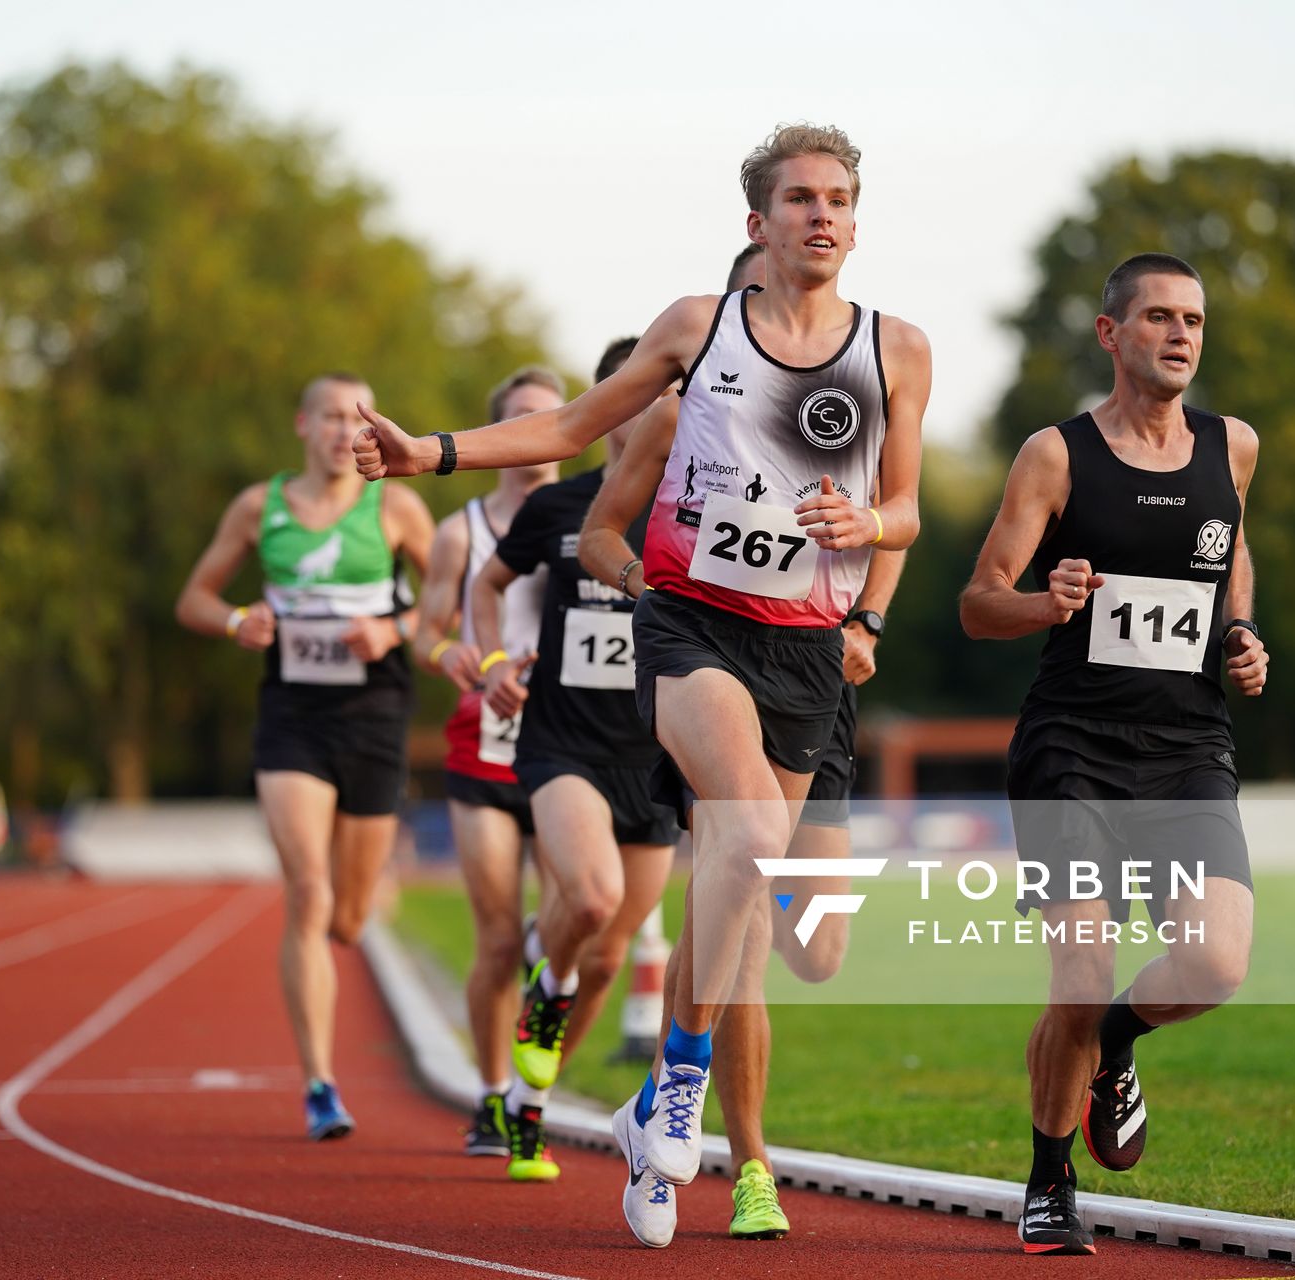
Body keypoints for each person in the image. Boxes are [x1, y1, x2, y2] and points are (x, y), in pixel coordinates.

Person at [354, 123, 931, 1248]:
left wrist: (867, 524)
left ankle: (662, 1084)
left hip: (807, 647)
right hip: (691, 624)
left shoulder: (898, 348)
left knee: (780, 912)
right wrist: (428, 451)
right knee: (750, 830)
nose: (824, 214)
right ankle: (683, 1088)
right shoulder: (695, 328)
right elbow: (570, 425)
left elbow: (905, 507)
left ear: (857, 222)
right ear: (756, 221)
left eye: (842, 199)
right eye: (801, 197)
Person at [576, 242, 908, 1245]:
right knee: (747, 907)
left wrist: (869, 622)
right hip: (706, 660)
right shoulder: (682, 410)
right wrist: (652, 590)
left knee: (818, 948)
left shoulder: (849, 399)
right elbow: (603, 531)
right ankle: (742, 1155)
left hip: (815, 681)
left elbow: (895, 521)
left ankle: (660, 1099)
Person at [959, 252, 1269, 1256]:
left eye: (1195, 320)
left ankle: (1117, 1045)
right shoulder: (1057, 455)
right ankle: (1050, 1180)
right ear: (1110, 333)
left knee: (1218, 962)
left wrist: (1241, 635)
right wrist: (1042, 601)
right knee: (1080, 968)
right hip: (1074, 745)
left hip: (1187, 743)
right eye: (1158, 317)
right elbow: (978, 600)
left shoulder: (1234, 446)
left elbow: (1231, 551)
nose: (1181, 335)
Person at [176, 372, 434, 1141]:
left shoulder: (396, 506)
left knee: (349, 919)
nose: (341, 432)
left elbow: (450, 601)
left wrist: (393, 629)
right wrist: (236, 623)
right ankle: (320, 1083)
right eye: (328, 417)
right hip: (292, 716)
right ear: (302, 425)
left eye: (356, 420)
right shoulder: (261, 507)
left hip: (376, 715)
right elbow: (194, 598)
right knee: (308, 892)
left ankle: (353, 911)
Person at [467, 338, 680, 1183]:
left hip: (654, 755)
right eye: (640, 394)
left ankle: (529, 1107)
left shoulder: (692, 514)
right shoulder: (559, 511)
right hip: (562, 746)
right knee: (590, 898)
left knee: (605, 958)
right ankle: (540, 981)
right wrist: (490, 665)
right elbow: (486, 588)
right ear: (610, 405)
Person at [407, 366, 561, 1157]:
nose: (537, 429)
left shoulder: (599, 512)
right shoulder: (461, 531)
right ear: (500, 435)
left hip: (572, 747)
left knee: (575, 931)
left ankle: (536, 1068)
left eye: (550, 415)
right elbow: (424, 629)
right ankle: (494, 1097)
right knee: (497, 939)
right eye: (521, 417)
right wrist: (452, 656)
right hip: (485, 749)